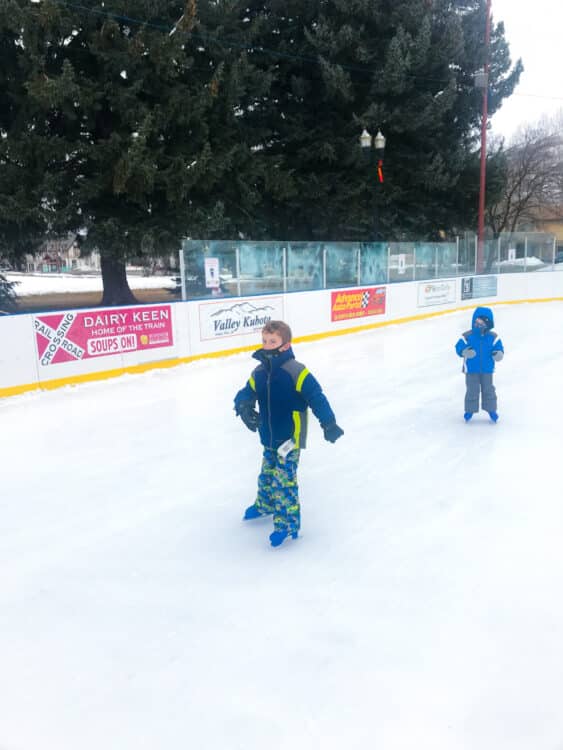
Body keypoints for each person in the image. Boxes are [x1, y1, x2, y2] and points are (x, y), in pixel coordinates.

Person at [234, 320, 344, 547]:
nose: (267, 345)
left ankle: (287, 524)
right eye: (264, 341)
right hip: (268, 436)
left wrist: (329, 423)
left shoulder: (296, 371)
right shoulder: (259, 372)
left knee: (283, 482)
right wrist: (243, 407)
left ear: (285, 345)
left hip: (290, 438)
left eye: (272, 341)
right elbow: (246, 392)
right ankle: (265, 505)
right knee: (267, 475)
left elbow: (316, 396)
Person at [455, 306, 504, 422]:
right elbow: (458, 347)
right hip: (471, 369)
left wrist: (498, 353)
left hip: (487, 369)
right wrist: (464, 351)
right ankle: (469, 410)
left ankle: (491, 410)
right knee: (472, 390)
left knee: (489, 390)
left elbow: (499, 347)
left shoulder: (493, 337)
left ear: (488, 324)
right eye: (477, 321)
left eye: (482, 322)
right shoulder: (467, 336)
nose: (479, 324)